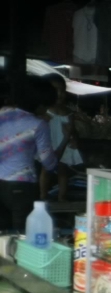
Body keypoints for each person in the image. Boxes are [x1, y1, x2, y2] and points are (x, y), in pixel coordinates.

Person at [0, 76, 59, 231]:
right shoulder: (39, 124)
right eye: (46, 106)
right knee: (23, 235)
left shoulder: (3, 113)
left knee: (2, 235)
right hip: (22, 186)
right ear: (40, 105)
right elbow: (47, 161)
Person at [41, 74, 82, 202]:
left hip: (64, 146)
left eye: (62, 90)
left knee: (63, 171)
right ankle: (43, 196)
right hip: (50, 144)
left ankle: (61, 198)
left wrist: (73, 139)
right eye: (55, 90)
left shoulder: (68, 112)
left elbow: (72, 130)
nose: (59, 94)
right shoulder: (45, 110)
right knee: (46, 170)